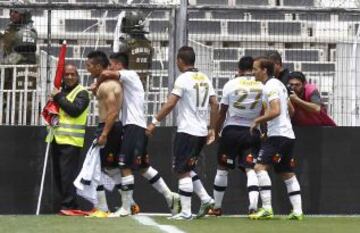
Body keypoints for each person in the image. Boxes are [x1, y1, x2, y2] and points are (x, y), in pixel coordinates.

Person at [98, 52, 180, 217]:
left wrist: (98, 82)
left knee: (124, 166)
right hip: (136, 127)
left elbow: (106, 73)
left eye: (112, 64)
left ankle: (126, 208)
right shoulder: (126, 80)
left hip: (133, 127)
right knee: (143, 168)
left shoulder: (130, 74)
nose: (110, 68)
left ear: (119, 65)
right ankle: (170, 195)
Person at [146, 46, 219, 220]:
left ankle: (186, 212)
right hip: (201, 131)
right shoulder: (204, 78)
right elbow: (215, 104)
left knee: (181, 171)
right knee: (188, 167)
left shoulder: (183, 79)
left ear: (180, 60)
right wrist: (212, 128)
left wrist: (154, 122)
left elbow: (171, 103)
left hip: (187, 130)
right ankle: (206, 198)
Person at [249, 57, 303, 220]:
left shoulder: (270, 86)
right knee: (286, 173)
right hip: (287, 134)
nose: (253, 72)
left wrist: (257, 121)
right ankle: (298, 211)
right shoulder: (280, 85)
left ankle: (266, 208)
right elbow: (291, 110)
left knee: (259, 168)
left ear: (264, 70)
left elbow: (276, 111)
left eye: (255, 69)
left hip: (278, 135)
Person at [208, 56, 262, 216]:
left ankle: (217, 207)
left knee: (222, 168)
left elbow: (222, 111)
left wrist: (216, 132)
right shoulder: (261, 85)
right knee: (250, 169)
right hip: (252, 130)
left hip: (232, 131)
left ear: (238, 69)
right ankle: (253, 206)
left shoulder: (231, 84)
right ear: (253, 69)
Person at [46, 64, 90, 214]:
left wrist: (58, 97)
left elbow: (75, 111)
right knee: (59, 175)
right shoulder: (60, 91)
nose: (70, 77)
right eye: (67, 74)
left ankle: (69, 205)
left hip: (71, 141)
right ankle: (66, 205)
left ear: (78, 76)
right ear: (63, 77)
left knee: (67, 175)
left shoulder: (82, 93)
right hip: (56, 139)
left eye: (73, 74)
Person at [117, 10, 153, 87]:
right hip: (142, 81)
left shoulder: (126, 45)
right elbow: (149, 65)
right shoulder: (149, 45)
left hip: (127, 82)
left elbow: (120, 64)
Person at [0, 0, 37, 65]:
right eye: (11, 11)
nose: (12, 14)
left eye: (16, 12)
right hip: (9, 67)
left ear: (23, 15)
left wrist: (4, 63)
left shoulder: (28, 31)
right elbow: (7, 42)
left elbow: (22, 55)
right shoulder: (12, 26)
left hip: (20, 70)